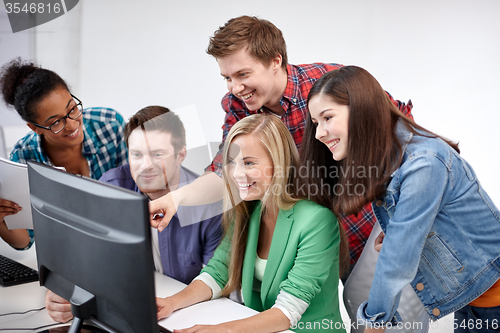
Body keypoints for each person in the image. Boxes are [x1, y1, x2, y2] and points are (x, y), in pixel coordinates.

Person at [149, 15, 412, 272]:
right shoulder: (239, 108)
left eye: (243, 74)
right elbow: (224, 171)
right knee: (358, 307)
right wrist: (177, 198)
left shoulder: (328, 82)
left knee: (403, 305)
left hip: (376, 221)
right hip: (322, 233)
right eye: (227, 78)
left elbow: (403, 130)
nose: (235, 88)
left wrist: (400, 220)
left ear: (276, 61)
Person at [304, 65, 500, 332]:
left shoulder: (423, 163)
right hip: (476, 294)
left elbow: (397, 260)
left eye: (327, 118)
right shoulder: (389, 158)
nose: (318, 133)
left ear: (362, 110)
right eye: (316, 123)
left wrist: (373, 323)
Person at [156, 114, 347, 333]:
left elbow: (288, 310)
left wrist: (223, 330)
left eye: (248, 163)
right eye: (232, 162)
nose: (236, 173)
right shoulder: (250, 210)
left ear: (279, 164)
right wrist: (171, 302)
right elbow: (219, 272)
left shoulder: (317, 221)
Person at [45, 106, 223, 323]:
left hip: (184, 315)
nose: (146, 166)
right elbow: (84, 254)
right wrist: (64, 289)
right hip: (124, 310)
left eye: (157, 154)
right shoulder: (111, 187)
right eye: (136, 154)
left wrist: (173, 303)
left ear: (180, 155)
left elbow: (215, 281)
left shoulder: (209, 205)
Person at [0, 58, 127, 251]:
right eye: (56, 122)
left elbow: (135, 193)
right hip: (69, 252)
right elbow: (25, 241)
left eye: (72, 109)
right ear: (35, 127)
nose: (72, 125)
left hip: (120, 241)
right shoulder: (23, 158)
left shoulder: (109, 124)